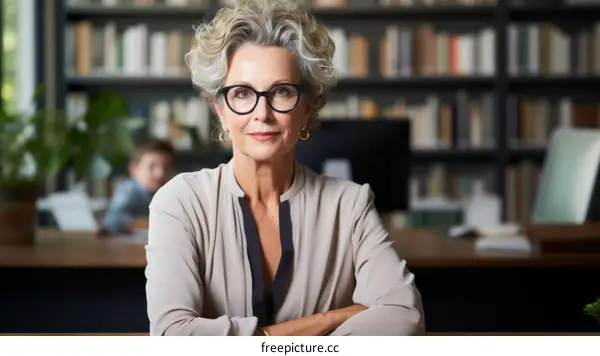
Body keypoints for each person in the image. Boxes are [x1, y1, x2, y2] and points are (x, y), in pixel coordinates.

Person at [145, 0, 424, 336]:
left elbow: (405, 317)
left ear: (307, 108)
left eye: (281, 91)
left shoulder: (349, 204)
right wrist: (326, 320)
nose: (262, 113)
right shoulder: (179, 202)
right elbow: (173, 337)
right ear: (220, 108)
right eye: (243, 93)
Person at [103, 138, 175, 235]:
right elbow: (114, 220)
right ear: (133, 169)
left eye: (166, 167)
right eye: (151, 166)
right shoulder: (129, 190)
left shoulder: (171, 194)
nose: (160, 173)